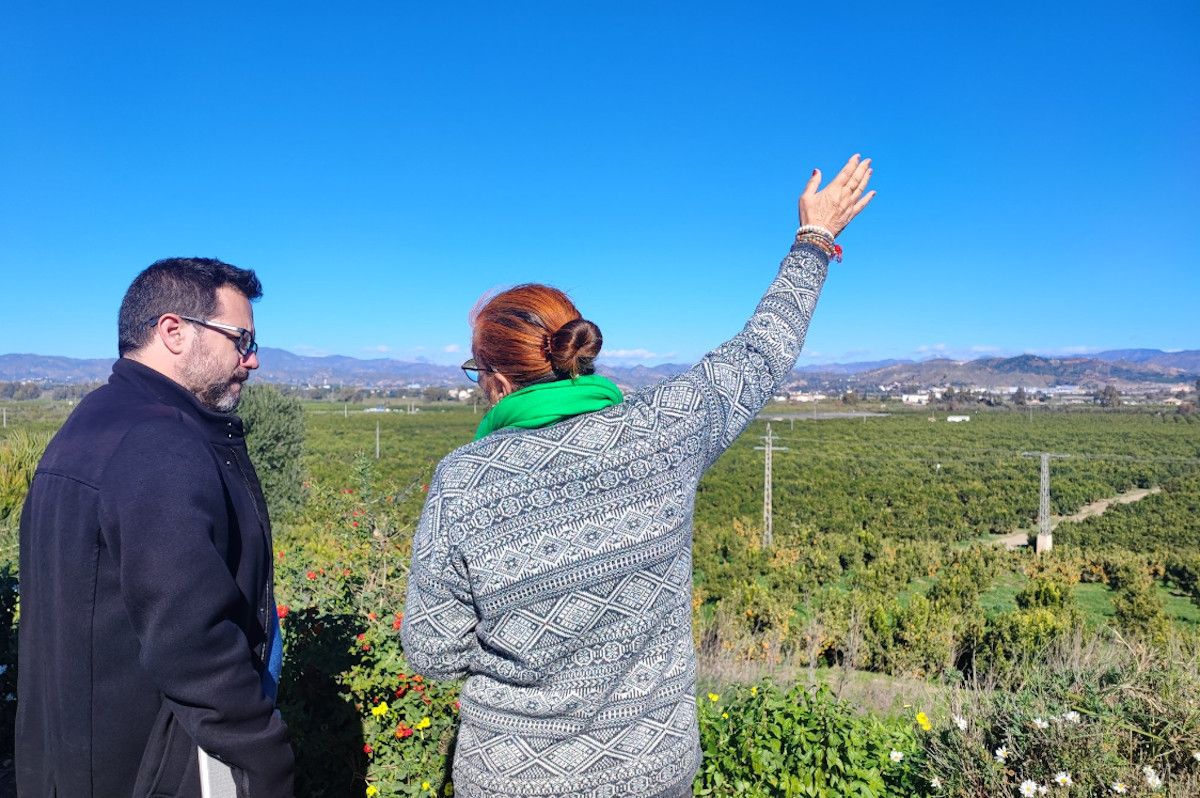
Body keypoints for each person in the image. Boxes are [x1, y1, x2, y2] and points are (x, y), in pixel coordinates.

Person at [402, 155, 875, 797]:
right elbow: (761, 350)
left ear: (497, 379)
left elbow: (433, 654)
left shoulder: (461, 482)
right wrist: (813, 240)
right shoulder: (660, 433)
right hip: (649, 771)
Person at [17, 258, 294, 796]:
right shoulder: (158, 442)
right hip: (158, 763)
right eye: (241, 339)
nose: (253, 360)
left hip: (79, 753)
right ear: (173, 331)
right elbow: (193, 638)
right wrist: (263, 758)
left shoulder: (89, 422)